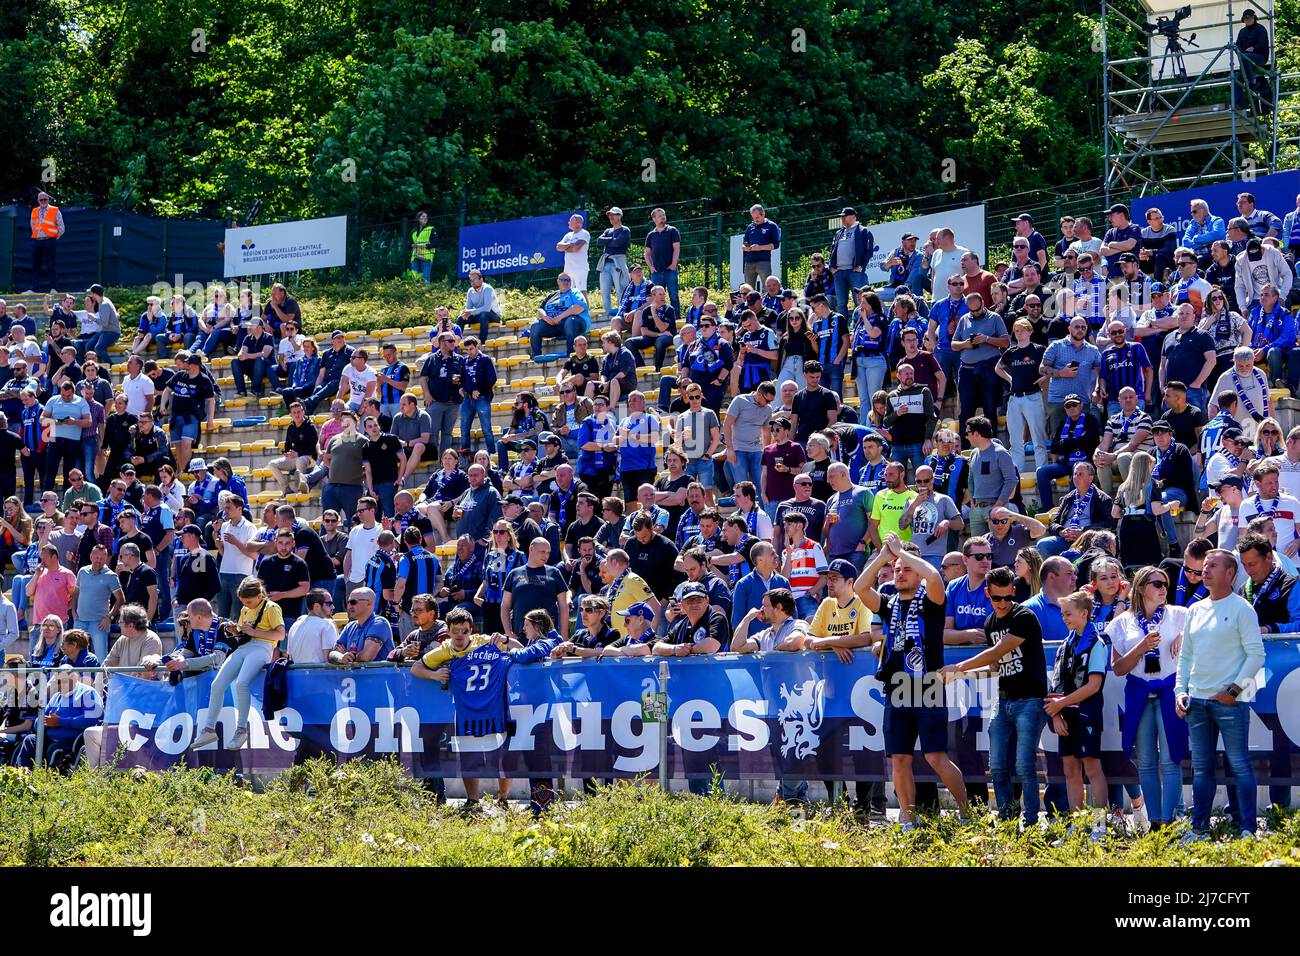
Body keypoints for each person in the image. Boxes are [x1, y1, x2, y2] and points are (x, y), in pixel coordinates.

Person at [853, 537, 968, 828]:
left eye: (906, 569)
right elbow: (859, 588)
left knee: (935, 758)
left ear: (917, 572)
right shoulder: (889, 604)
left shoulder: (932, 600)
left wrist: (901, 552)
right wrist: (883, 557)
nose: (900, 573)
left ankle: (967, 813)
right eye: (897, 569)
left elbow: (933, 575)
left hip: (928, 686)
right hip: (896, 688)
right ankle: (908, 819)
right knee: (899, 760)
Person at [413, 608, 559, 813]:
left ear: (471, 630)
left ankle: (504, 798)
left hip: (496, 708)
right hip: (466, 711)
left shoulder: (486, 641)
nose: (460, 635)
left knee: (505, 756)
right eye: (455, 631)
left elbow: (518, 652)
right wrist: (436, 675)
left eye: (464, 631)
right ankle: (473, 801)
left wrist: (507, 642)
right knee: (468, 757)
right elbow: (416, 668)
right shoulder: (445, 649)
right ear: (448, 630)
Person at [940, 566, 1047, 826]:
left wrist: (960, 667)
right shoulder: (990, 623)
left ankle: (1031, 820)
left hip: (1030, 701)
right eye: (996, 598)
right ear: (988, 593)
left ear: (1013, 592)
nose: (1002, 604)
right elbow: (994, 667)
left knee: (1023, 765)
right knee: (997, 766)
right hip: (1004, 699)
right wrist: (965, 674)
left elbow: (997, 652)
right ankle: (1008, 817)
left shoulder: (1024, 616)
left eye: (1007, 598)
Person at [1176, 549, 1264, 840]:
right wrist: (1180, 691)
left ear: (1230, 574)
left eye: (1213, 565)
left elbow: (1256, 655)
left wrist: (1233, 691)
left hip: (1231, 703)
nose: (1205, 569)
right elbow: (1185, 656)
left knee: (1240, 766)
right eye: (1205, 565)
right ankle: (1199, 828)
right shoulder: (1195, 610)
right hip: (1197, 703)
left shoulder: (1243, 609)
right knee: (1201, 771)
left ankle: (1248, 828)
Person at [964, 416, 1017, 537]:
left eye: (968, 433)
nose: (966, 436)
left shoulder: (1001, 453)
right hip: (976, 509)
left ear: (976, 434)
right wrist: (972, 502)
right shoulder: (973, 453)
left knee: (998, 548)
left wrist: (998, 505)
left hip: (996, 508)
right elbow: (971, 479)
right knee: (977, 550)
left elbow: (1011, 480)